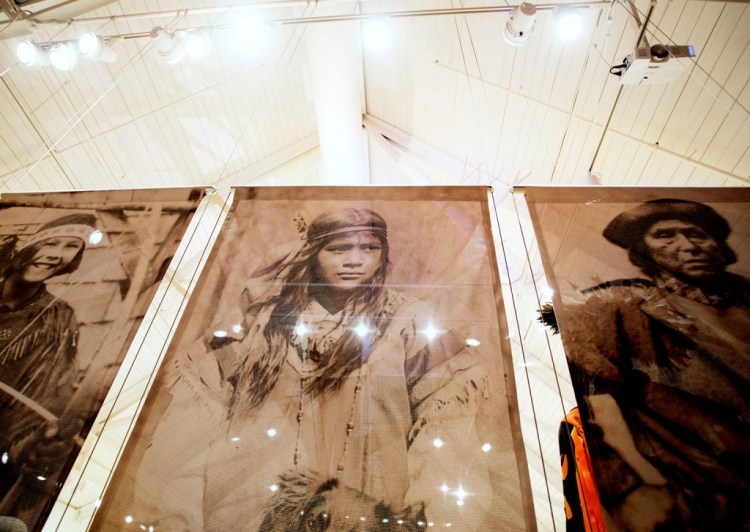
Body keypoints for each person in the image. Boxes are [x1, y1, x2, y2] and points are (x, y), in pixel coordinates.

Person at [133, 208, 494, 530]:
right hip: (249, 510)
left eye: (369, 248)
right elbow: (189, 438)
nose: (355, 260)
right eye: (338, 249)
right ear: (313, 254)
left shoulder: (410, 322)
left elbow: (447, 438)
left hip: (365, 514)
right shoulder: (261, 322)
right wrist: (176, 520)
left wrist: (425, 521)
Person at [563, 199, 750, 530]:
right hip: (715, 491)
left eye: (697, 235)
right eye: (665, 235)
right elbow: (588, 401)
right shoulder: (618, 307)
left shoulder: (744, 299)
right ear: (641, 251)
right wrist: (626, 489)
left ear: (719, 247)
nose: (688, 246)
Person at [0, 213, 98, 529]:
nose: (57, 254)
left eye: (71, 246)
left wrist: (25, 441)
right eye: (51, 242)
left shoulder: (57, 318)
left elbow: (48, 391)